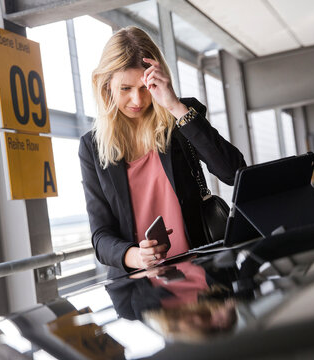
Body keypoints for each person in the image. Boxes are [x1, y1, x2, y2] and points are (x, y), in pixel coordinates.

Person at [79, 26, 246, 278]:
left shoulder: (181, 119)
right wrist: (135, 256)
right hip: (144, 288)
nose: (137, 100)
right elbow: (101, 235)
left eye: (145, 87)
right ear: (106, 87)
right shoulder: (92, 147)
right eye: (125, 89)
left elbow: (233, 172)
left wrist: (174, 107)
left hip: (203, 274)